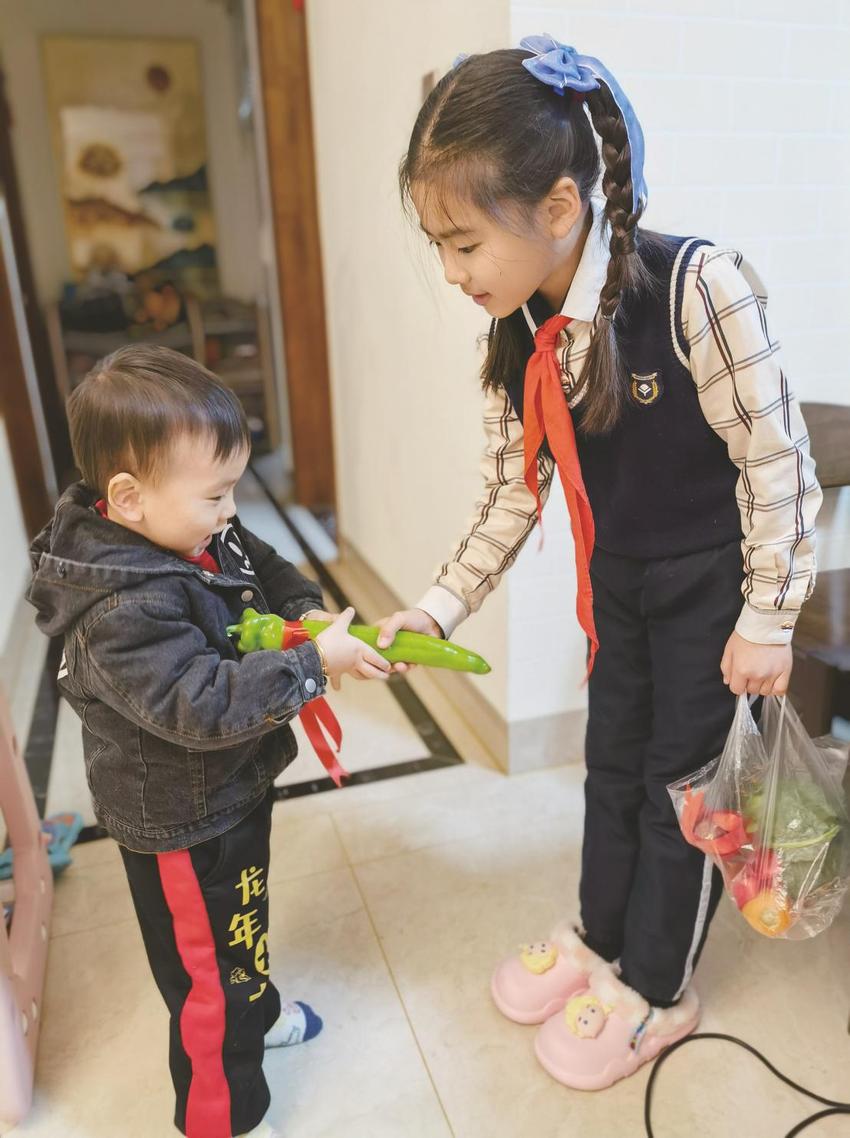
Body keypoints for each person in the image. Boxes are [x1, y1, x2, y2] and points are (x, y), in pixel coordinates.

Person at [377, 36, 821, 1089]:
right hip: (615, 587)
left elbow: (776, 459)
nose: (450, 271)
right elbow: (509, 490)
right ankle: (599, 933)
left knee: (682, 793)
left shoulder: (694, 287)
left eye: (462, 241)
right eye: (437, 244)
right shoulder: (517, 325)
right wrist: (434, 610)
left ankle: (658, 987)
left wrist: (767, 617)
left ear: (560, 204)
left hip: (711, 593)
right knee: (609, 768)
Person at [27, 344, 391, 1137]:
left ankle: (253, 1012)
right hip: (179, 823)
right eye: (217, 495)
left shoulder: (187, 527)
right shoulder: (122, 613)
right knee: (203, 981)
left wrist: (306, 610)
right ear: (126, 498)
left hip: (226, 795)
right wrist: (308, 667)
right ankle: (219, 1117)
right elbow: (201, 704)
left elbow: (255, 560)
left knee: (243, 922)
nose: (231, 513)